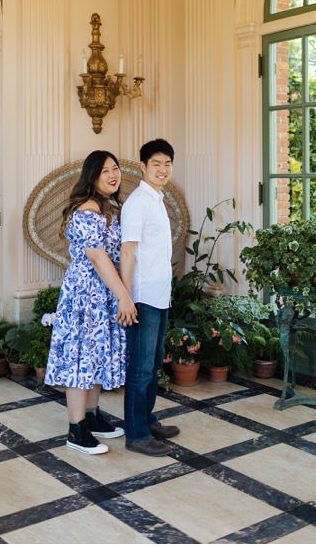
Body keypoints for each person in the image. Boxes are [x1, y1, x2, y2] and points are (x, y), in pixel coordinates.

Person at [45, 150, 138, 454]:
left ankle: (93, 417)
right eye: (104, 172)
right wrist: (124, 295)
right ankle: (76, 431)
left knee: (95, 355)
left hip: (105, 291)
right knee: (80, 359)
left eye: (115, 169)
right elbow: (98, 257)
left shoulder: (110, 205)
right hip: (87, 294)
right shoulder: (87, 209)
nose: (113, 175)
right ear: (92, 177)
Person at [120, 139, 179, 456]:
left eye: (167, 163)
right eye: (156, 163)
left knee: (154, 363)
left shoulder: (157, 198)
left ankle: (147, 420)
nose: (163, 169)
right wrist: (126, 298)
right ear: (142, 166)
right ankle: (137, 435)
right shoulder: (137, 203)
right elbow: (127, 253)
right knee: (140, 369)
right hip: (142, 298)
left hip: (160, 296)